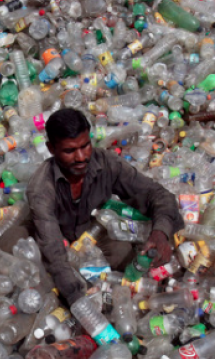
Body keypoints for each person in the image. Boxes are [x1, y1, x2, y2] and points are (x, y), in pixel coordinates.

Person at [19, 108, 184, 306]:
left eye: (85, 146)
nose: (81, 157)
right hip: (52, 235)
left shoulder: (106, 163)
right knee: (19, 255)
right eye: (69, 151)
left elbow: (158, 194)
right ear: (51, 149)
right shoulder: (42, 187)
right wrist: (79, 301)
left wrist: (160, 232)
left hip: (93, 229)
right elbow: (53, 251)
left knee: (125, 256)